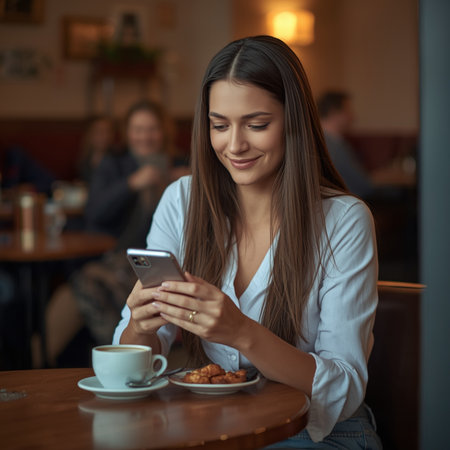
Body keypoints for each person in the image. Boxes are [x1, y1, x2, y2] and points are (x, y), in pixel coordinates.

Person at [113, 36, 381, 448]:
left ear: (294, 122)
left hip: (317, 431)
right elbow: (132, 368)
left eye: (256, 125)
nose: (234, 145)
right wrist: (139, 326)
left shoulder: (343, 221)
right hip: (218, 427)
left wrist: (240, 332)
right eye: (219, 125)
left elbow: (343, 389)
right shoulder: (182, 201)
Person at [39, 99, 178, 367]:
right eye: (138, 129)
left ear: (164, 132)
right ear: (127, 133)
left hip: (155, 264)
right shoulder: (115, 164)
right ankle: (115, 354)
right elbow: (95, 212)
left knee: (84, 284)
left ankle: (114, 356)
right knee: (86, 283)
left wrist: (176, 180)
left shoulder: (179, 165)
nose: (145, 136)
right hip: (113, 257)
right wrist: (132, 184)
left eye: (152, 129)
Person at [317, 90, 376, 198]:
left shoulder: (318, 138)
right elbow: (363, 184)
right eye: (348, 111)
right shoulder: (334, 145)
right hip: (346, 204)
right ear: (333, 112)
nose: (353, 117)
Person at [77, 115, 116, 184]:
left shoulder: (118, 159)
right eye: (99, 131)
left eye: (108, 131)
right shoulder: (84, 161)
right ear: (89, 134)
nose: (104, 136)